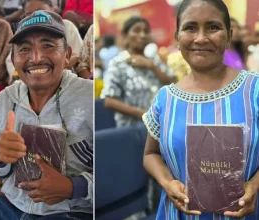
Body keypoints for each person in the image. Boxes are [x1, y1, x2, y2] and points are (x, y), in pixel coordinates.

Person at [142, 0, 259, 219]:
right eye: (190, 27)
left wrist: (254, 185)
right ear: (177, 38)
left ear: (229, 36)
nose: (201, 38)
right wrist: (167, 182)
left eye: (213, 27)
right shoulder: (165, 98)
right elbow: (151, 154)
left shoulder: (254, 89)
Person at [0, 10, 93, 219]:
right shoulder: (3, 101)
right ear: (13, 59)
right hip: (9, 205)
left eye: (48, 45)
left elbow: (116, 173)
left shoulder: (89, 97)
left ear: (67, 55)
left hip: (70, 211)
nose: (36, 58)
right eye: (24, 49)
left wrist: (74, 187)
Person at [101, 16, 174, 128]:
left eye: (146, 31)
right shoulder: (118, 63)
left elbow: (173, 84)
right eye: (136, 31)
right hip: (134, 127)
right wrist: (145, 115)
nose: (142, 35)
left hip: (163, 123)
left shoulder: (153, 60)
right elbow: (109, 101)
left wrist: (151, 66)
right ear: (125, 36)